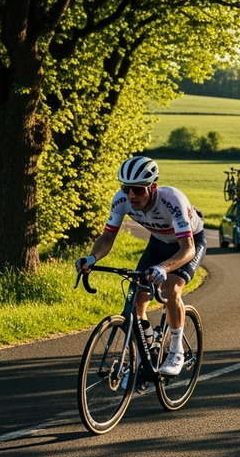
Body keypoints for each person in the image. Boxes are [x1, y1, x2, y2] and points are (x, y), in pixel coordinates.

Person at [76, 156, 206, 376]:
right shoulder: (122, 200)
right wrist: (91, 259)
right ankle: (148, 349)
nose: (131, 195)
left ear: (152, 187)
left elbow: (188, 249)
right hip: (159, 242)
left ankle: (176, 351)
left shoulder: (173, 200)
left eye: (137, 189)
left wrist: (164, 268)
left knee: (170, 290)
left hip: (189, 242)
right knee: (137, 300)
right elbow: (107, 238)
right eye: (126, 188)